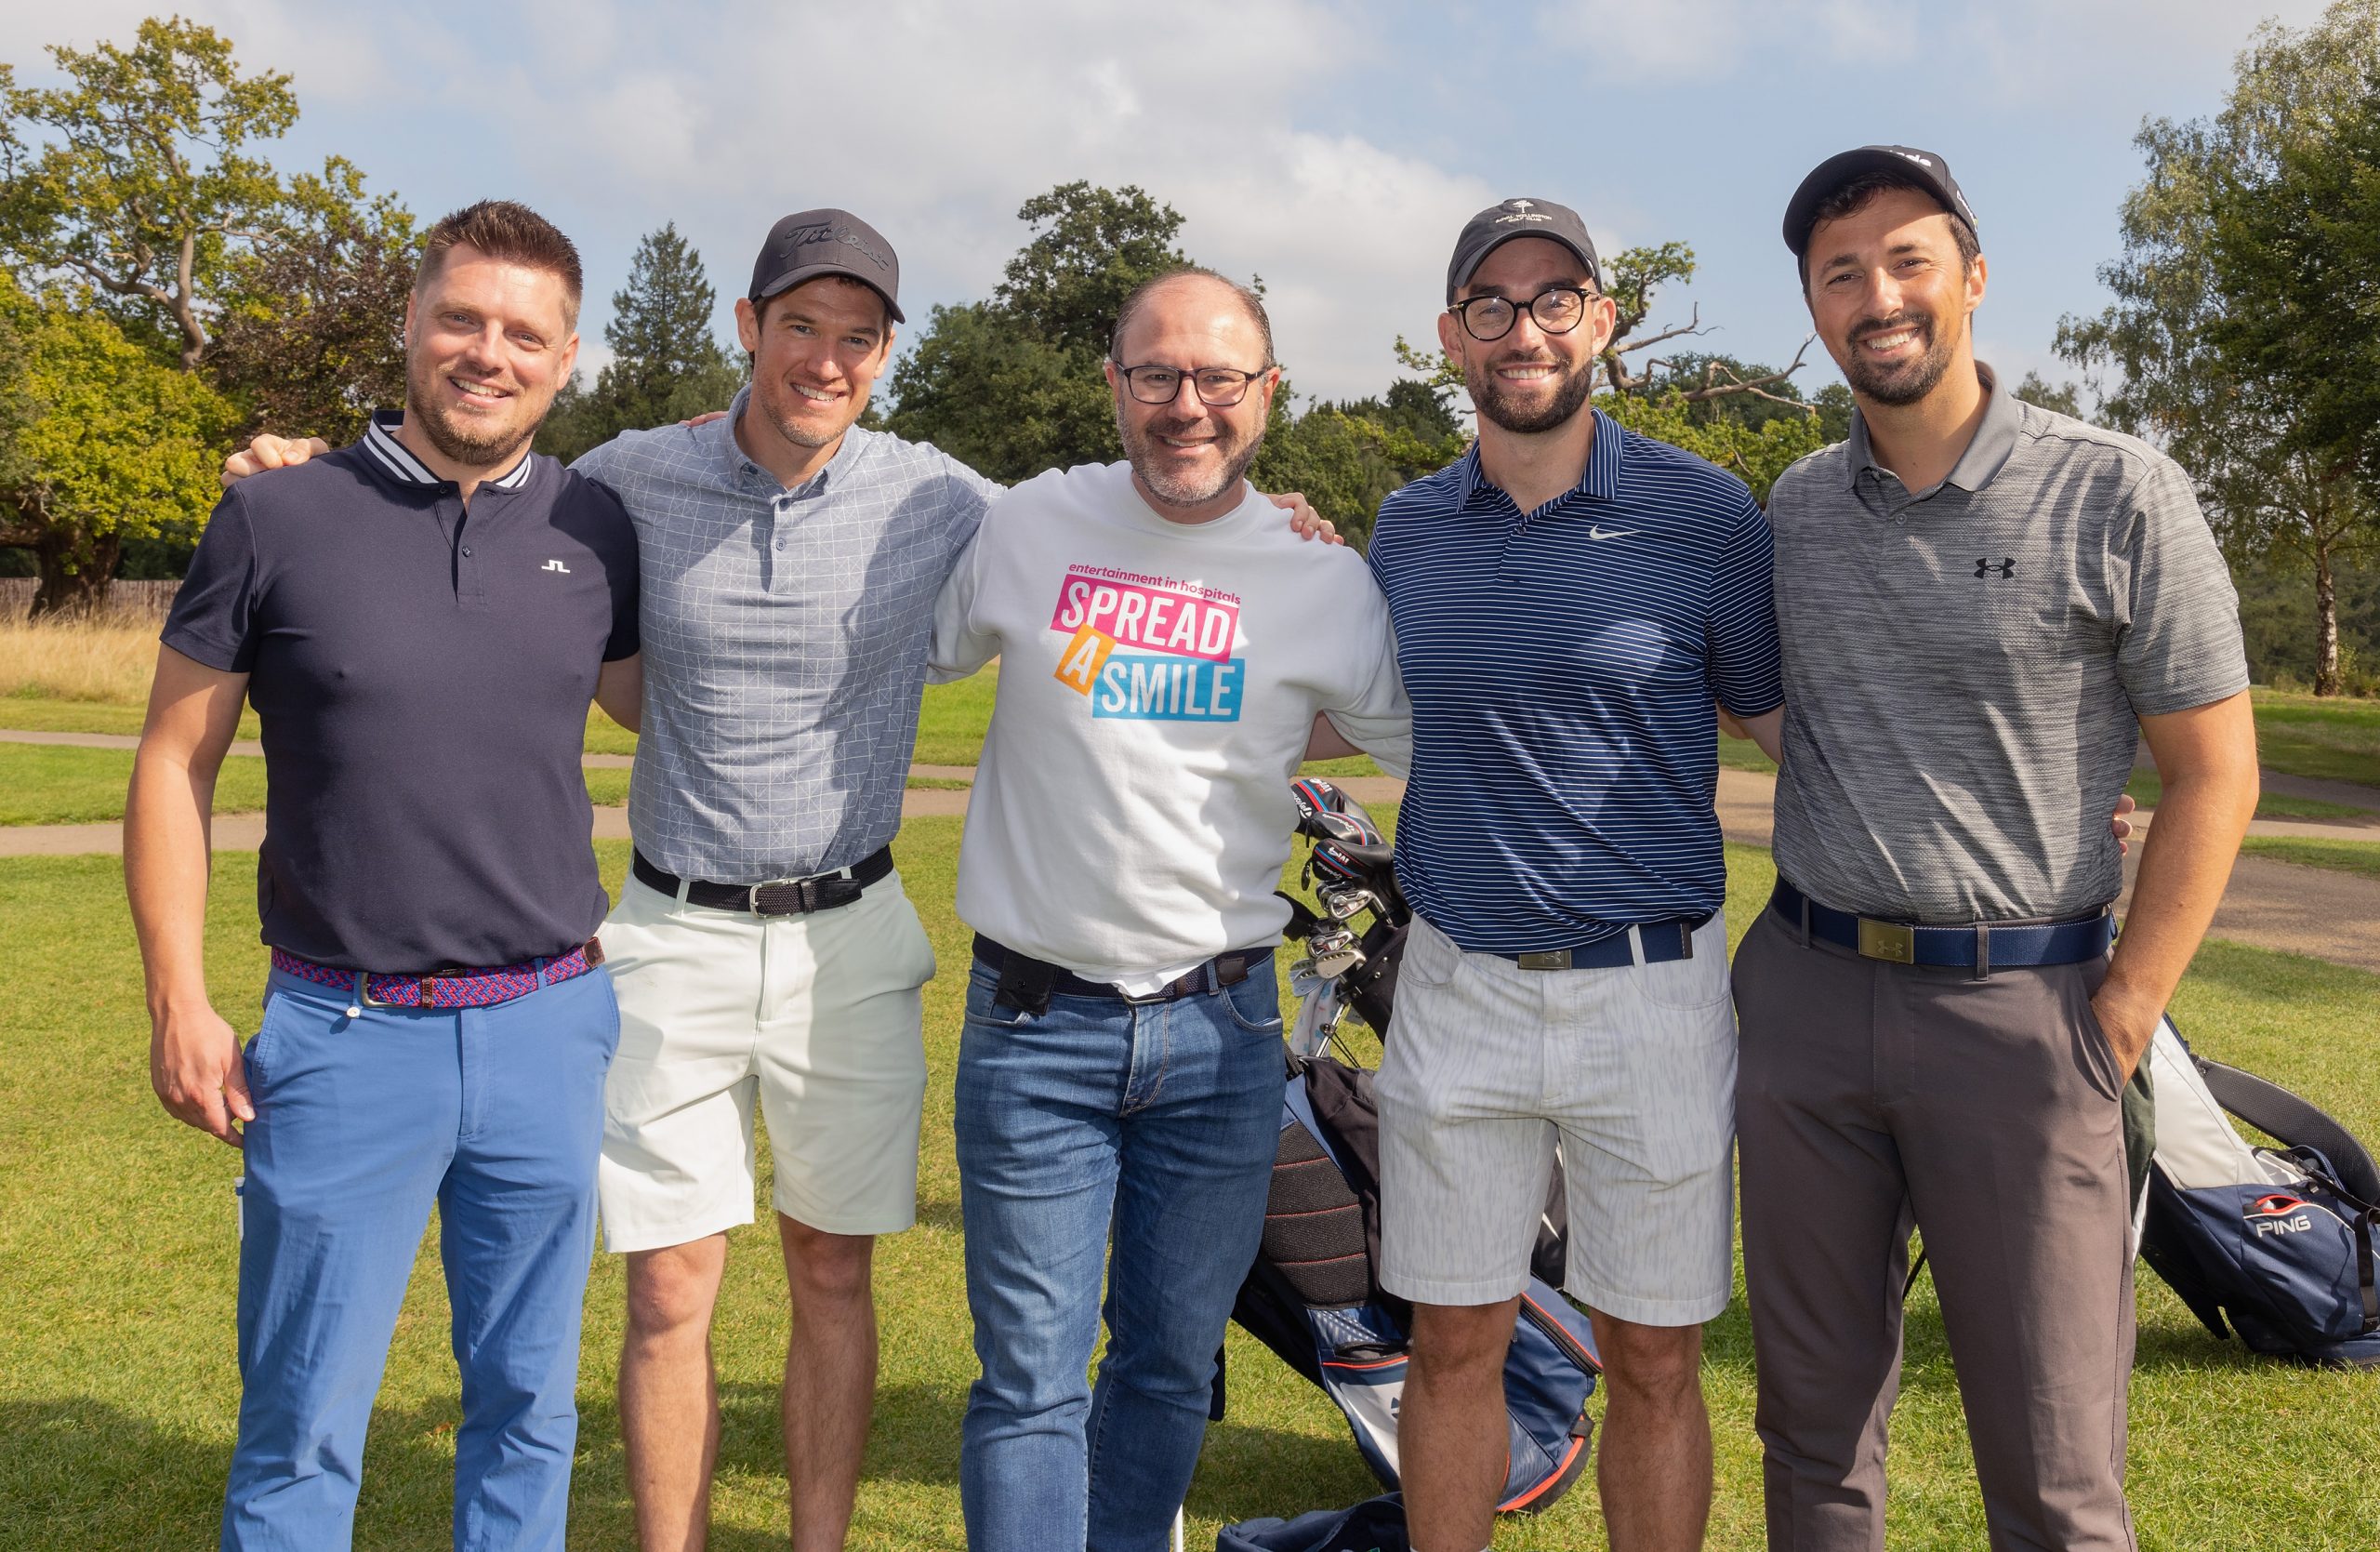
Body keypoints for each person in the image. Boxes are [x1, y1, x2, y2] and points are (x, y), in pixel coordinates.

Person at [220, 213, 1333, 1552]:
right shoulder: (625, 478)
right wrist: (310, 471)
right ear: (748, 327)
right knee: (668, 1287)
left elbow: (1133, 521)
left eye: (856, 336)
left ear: (884, 355)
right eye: (799, 324)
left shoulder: (943, 500)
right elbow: (470, 484)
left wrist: (1274, 523)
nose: (825, 357)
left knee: (831, 1270)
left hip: (849, 932)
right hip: (671, 928)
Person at [1733, 146, 2258, 1551]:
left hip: (2028, 1019)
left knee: (2055, 1466)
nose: (1878, 296)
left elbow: (2216, 773)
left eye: (1908, 260)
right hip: (1806, 1001)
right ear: (1813, 306)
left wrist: (2122, 1016)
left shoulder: (2120, 491)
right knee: (1812, 1437)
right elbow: (1781, 703)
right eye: (1840, 274)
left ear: (1972, 277)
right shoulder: (1793, 507)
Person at [130, 200, 642, 1552]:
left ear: (566, 358)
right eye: (462, 318)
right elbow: (175, 762)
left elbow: (667, 701)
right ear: (410, 323)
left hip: (550, 1027)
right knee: (300, 1426)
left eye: (524, 333)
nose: (489, 353)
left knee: (530, 1410)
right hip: (341, 1034)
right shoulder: (275, 512)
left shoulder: (598, 524)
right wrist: (179, 999)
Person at [928, 265, 1411, 1552]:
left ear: (1268, 392)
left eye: (1217, 377)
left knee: (1167, 1364)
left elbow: (1433, 733)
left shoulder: (1322, 578)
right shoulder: (1031, 523)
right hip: (1035, 1024)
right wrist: (741, 441)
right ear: (1114, 384)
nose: (1186, 403)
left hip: (1220, 1033)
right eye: (1156, 374)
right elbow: (895, 635)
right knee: (1029, 1382)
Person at [1363, 199, 1786, 1552]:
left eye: (1555, 300)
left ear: (1602, 321)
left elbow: (1787, 724)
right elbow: (1329, 699)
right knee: (1450, 1343)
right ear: (1453, 338)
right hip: (1457, 986)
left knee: (1654, 1357)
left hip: (1651, 992)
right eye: (1490, 305)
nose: (1525, 330)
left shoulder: (1706, 513)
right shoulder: (1405, 529)